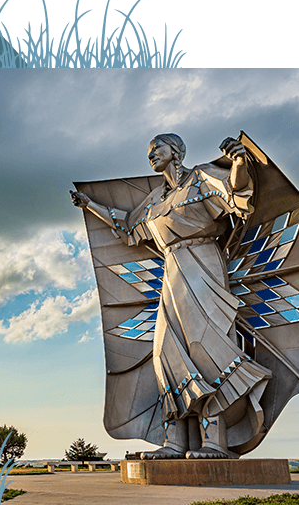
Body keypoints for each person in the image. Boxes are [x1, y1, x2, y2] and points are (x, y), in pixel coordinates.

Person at [71, 134, 272, 460]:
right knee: (166, 354)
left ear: (176, 151)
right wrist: (90, 206)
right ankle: (175, 442)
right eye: (149, 151)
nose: (151, 154)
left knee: (205, 349)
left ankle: (214, 443)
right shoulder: (154, 200)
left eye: (157, 148)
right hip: (172, 272)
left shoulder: (202, 177)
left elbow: (236, 193)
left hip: (203, 264)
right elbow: (127, 226)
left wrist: (239, 162)